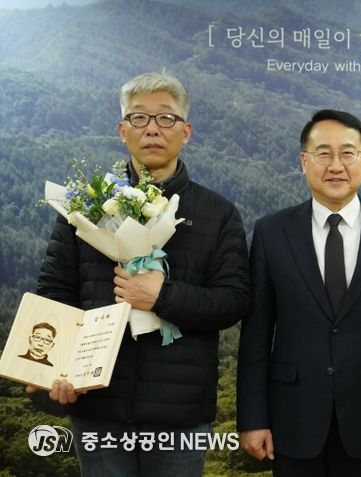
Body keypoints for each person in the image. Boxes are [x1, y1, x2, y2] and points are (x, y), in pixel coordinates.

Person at [29, 72, 250, 477]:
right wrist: (53, 368)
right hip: (97, 404)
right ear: (122, 130)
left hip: (179, 416)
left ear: (185, 132)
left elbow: (233, 301)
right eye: (138, 117)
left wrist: (163, 296)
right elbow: (55, 291)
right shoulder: (84, 209)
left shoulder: (217, 213)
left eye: (165, 118)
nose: (152, 128)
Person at [237, 109, 361, 477]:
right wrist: (252, 418)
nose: (336, 166)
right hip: (292, 415)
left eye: (348, 153)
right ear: (304, 162)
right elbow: (257, 333)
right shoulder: (272, 232)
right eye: (323, 153)